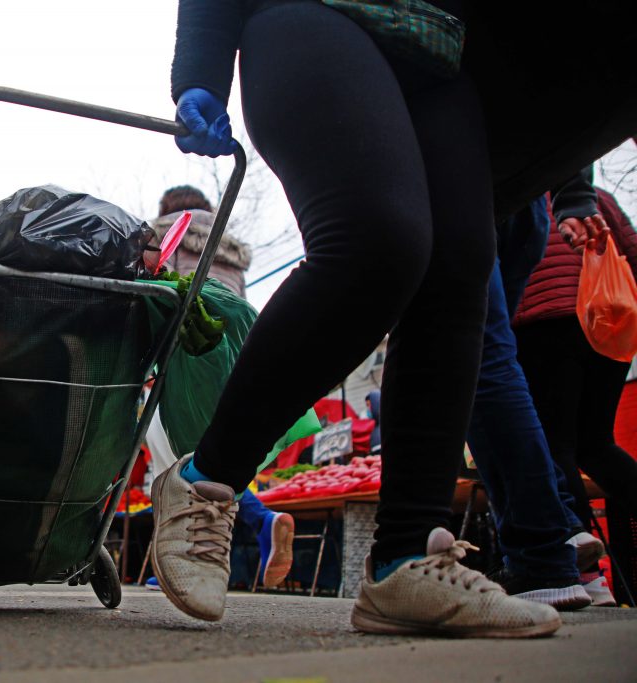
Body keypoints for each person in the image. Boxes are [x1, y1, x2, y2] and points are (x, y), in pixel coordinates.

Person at [151, 0, 564, 636]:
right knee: (379, 241)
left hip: (438, 45)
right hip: (315, 14)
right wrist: (201, 68)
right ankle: (208, 480)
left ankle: (407, 559)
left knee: (459, 268)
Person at [144, 186, 295, 591]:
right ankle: (252, 528)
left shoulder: (167, 234)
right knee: (215, 457)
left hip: (182, 361)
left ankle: (182, 562)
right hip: (231, 363)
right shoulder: (230, 249)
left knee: (171, 466)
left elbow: (160, 294)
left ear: (167, 209)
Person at [465, 184, 596, 611]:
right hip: (527, 205)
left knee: (479, 368)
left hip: (467, 192)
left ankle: (541, 555)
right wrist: (574, 196)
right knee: (494, 369)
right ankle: (562, 528)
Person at [513, 181, 637, 607]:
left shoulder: (520, 193)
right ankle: (585, 572)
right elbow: (632, 250)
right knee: (598, 445)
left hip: (545, 323)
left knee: (557, 447)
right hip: (609, 327)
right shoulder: (595, 196)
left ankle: (584, 576)